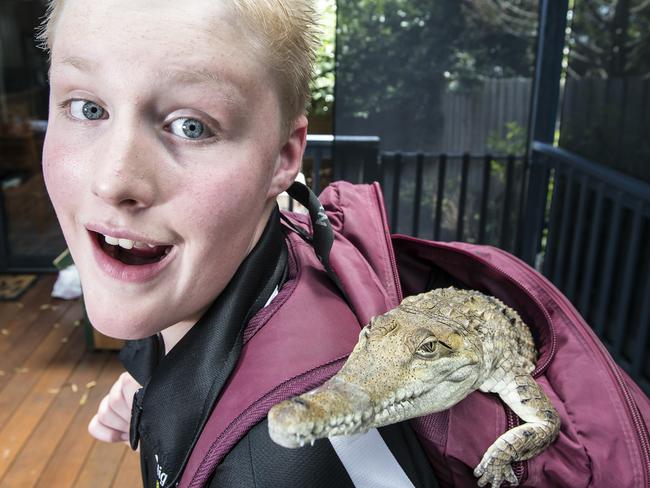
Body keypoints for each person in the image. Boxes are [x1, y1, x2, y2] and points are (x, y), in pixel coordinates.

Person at [39, 0, 439, 486]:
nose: (113, 180)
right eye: (88, 108)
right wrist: (163, 394)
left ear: (280, 159)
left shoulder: (301, 451)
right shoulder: (215, 274)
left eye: (192, 126)